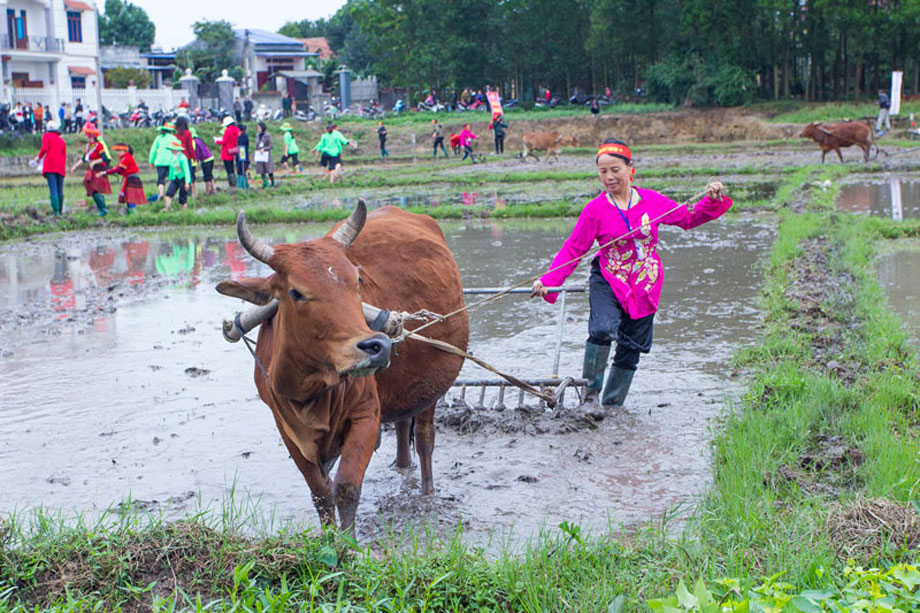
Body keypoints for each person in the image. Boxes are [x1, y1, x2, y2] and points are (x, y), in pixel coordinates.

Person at [530, 138, 732, 409]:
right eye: (603, 172)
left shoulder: (652, 201)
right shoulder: (595, 210)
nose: (609, 177)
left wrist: (711, 200)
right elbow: (574, 249)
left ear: (629, 168)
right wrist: (548, 281)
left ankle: (613, 407)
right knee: (602, 329)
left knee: (632, 345)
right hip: (608, 277)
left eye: (615, 169)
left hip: (645, 282)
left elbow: (688, 217)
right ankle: (590, 398)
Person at [70, 122, 111, 217]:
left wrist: (94, 162)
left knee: (96, 188)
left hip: (99, 169)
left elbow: (104, 158)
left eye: (88, 136)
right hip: (93, 169)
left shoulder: (99, 145)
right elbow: (84, 158)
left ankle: (103, 209)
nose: (87, 138)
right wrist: (75, 166)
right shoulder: (88, 147)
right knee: (91, 187)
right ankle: (102, 207)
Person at [99, 143, 145, 215]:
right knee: (128, 197)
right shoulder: (123, 158)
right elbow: (119, 170)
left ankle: (133, 213)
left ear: (124, 151)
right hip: (129, 178)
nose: (118, 152)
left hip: (132, 179)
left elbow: (119, 169)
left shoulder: (127, 158)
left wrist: (106, 172)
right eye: (117, 151)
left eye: (119, 150)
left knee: (131, 197)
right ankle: (131, 213)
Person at [35, 119, 66, 216]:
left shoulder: (46, 136)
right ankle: (60, 211)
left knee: (53, 189)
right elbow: (64, 155)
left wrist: (38, 157)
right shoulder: (62, 141)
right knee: (60, 189)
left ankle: (55, 211)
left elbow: (44, 148)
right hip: (60, 166)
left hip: (50, 166)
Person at [148, 122, 176, 201]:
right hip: (171, 161)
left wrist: (151, 161)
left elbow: (153, 150)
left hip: (160, 161)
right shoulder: (173, 138)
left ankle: (161, 193)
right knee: (171, 178)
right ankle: (169, 193)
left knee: (161, 178)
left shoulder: (158, 138)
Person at [163, 138, 191, 211]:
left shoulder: (182, 158)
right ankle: (167, 208)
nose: (171, 150)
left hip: (183, 178)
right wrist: (170, 179)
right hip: (175, 178)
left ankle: (184, 213)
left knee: (183, 197)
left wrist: (187, 182)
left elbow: (186, 170)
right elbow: (171, 170)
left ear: (176, 149)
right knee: (169, 193)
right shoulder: (172, 158)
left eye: (172, 149)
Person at [174, 116, 197, 199]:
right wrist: (194, 158)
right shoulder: (187, 133)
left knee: (180, 174)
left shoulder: (175, 134)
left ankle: (180, 191)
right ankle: (188, 193)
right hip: (186, 157)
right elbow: (190, 147)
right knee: (188, 174)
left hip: (176, 157)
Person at [214, 115, 240, 188]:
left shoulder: (228, 130)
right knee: (232, 167)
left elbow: (224, 141)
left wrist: (216, 141)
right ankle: (234, 182)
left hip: (226, 151)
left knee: (228, 168)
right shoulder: (236, 129)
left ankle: (232, 183)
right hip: (233, 150)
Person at [192, 127, 215, 196]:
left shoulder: (195, 142)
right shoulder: (199, 140)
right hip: (210, 158)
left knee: (207, 177)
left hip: (206, 160)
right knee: (210, 175)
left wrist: (196, 164)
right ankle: (213, 190)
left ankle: (207, 192)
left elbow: (197, 154)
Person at [254, 121, 275, 188]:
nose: (258, 129)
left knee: (269, 169)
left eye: (259, 128)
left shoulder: (268, 135)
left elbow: (271, 145)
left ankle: (272, 182)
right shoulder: (257, 135)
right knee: (261, 169)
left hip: (266, 155)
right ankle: (265, 183)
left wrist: (264, 149)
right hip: (259, 154)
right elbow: (256, 145)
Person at [236, 123, 250, 189]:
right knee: (239, 170)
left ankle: (243, 186)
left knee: (242, 170)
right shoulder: (238, 136)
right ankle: (241, 185)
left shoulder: (244, 136)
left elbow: (242, 147)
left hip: (243, 155)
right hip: (238, 155)